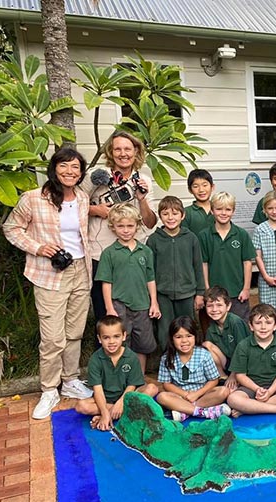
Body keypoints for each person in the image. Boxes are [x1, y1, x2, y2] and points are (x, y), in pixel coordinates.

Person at [3, 147, 94, 419]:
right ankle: (49, 389)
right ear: (54, 168)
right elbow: (11, 228)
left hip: (80, 269)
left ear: (81, 172)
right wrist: (38, 247)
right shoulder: (32, 198)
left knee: (75, 331)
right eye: (64, 166)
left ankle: (70, 380)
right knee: (53, 337)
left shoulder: (82, 197)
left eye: (76, 167)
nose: (70, 171)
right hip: (48, 274)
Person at [82, 130, 156, 321]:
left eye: (128, 149)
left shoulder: (144, 181)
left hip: (133, 253)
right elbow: (72, 205)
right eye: (118, 149)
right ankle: (105, 349)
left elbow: (150, 223)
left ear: (136, 151)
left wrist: (142, 199)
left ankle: (132, 348)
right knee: (104, 312)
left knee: (135, 309)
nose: (123, 153)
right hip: (101, 253)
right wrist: (96, 210)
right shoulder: (95, 177)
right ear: (110, 152)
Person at [95, 203, 160, 372]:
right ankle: (121, 376)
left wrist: (154, 302)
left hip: (142, 305)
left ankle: (139, 377)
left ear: (137, 226)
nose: (125, 230)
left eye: (130, 226)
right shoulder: (109, 253)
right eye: (120, 226)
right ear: (113, 227)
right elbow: (106, 282)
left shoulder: (145, 251)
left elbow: (150, 278)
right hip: (119, 305)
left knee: (143, 343)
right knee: (120, 342)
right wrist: (109, 307)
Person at [74, 315, 158, 430]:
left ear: (124, 336)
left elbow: (132, 385)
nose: (112, 342)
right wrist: (105, 413)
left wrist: (121, 403)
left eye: (116, 336)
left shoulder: (131, 357)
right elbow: (98, 390)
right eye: (106, 338)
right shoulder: (95, 359)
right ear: (99, 339)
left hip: (126, 396)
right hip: (105, 399)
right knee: (81, 406)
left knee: (152, 388)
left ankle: (116, 412)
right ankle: (122, 413)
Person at [146, 196, 204, 350]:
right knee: (165, 330)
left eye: (175, 213)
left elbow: (198, 266)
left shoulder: (191, 238)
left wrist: (200, 293)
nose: (170, 218)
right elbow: (150, 270)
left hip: (186, 293)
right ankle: (168, 362)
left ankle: (189, 360)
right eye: (165, 214)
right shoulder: (153, 240)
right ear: (160, 216)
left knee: (187, 328)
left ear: (182, 215)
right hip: (162, 294)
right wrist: (152, 297)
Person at [227, 303, 276, 416]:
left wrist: (270, 391)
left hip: (275, 386)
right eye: (258, 323)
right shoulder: (243, 346)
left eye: (268, 323)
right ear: (251, 326)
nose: (263, 327)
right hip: (251, 387)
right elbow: (240, 375)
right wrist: (257, 389)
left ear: (275, 325)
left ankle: (250, 408)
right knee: (233, 399)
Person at [155, 316, 231, 422]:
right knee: (162, 397)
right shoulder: (167, 358)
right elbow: (166, 384)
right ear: (172, 339)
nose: (184, 341)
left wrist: (197, 394)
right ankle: (203, 412)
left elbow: (214, 380)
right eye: (178, 337)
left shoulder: (204, 355)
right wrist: (185, 395)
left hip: (202, 395)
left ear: (195, 336)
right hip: (180, 397)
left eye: (189, 336)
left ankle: (185, 412)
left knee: (223, 391)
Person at [198, 191, 256, 321]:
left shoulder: (241, 234)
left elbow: (247, 263)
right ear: (212, 211)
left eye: (228, 209)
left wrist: (246, 288)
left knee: (240, 325)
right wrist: (207, 289)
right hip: (214, 294)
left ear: (233, 211)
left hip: (237, 292)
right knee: (216, 328)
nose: (223, 213)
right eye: (219, 209)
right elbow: (204, 264)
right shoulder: (204, 236)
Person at [202, 286, 249, 376]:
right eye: (210, 306)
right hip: (227, 363)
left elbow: (243, 351)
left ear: (228, 306)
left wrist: (233, 375)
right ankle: (222, 377)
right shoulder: (211, 329)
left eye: (219, 305)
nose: (214, 309)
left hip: (244, 364)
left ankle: (233, 377)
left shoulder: (235, 322)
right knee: (206, 345)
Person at [184, 168, 216, 235]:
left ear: (212, 187)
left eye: (205, 185)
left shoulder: (219, 209)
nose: (201, 190)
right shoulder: (186, 213)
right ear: (190, 190)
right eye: (195, 186)